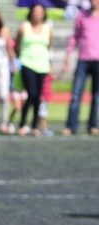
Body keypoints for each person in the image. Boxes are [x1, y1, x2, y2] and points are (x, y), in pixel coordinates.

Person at [61, 0, 99, 136]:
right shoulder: (82, 15)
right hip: (83, 60)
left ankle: (94, 125)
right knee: (76, 94)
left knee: (97, 97)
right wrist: (68, 55)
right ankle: (71, 126)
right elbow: (74, 37)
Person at [15, 2, 53, 137]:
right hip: (27, 64)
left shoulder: (48, 29)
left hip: (42, 66)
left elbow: (48, 46)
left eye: (40, 11)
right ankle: (22, 124)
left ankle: (34, 126)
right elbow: (17, 45)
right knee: (31, 94)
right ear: (31, 13)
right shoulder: (24, 27)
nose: (37, 14)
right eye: (35, 11)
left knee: (38, 97)